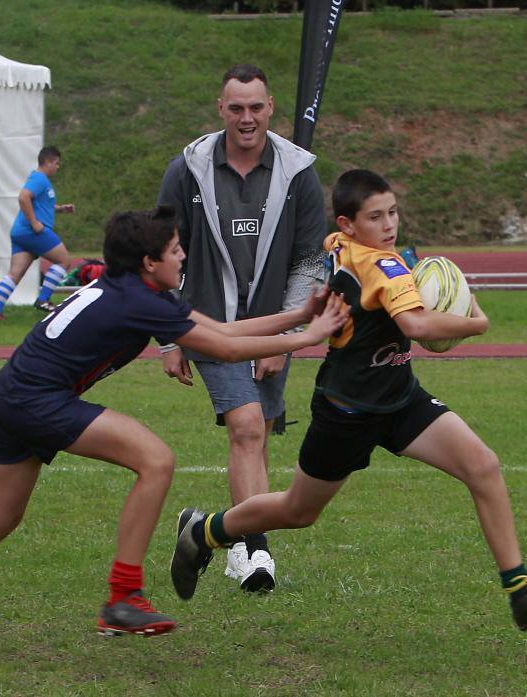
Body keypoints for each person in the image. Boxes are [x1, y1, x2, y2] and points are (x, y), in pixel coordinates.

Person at [0, 205, 349, 651]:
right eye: (175, 250)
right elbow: (223, 350)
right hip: (35, 399)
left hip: (15, 392)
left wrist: (299, 317)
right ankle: (123, 598)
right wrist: (308, 337)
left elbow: (223, 332)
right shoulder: (141, 301)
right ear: (149, 262)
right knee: (156, 460)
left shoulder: (137, 290)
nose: (182, 255)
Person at [170, 170, 527, 632]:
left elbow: (339, 257)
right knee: (297, 512)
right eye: (375, 217)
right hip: (347, 411)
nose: (389, 225)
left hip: (399, 398)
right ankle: (204, 531)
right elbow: (420, 328)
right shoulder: (384, 269)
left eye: (393, 212)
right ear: (348, 223)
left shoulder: (340, 247)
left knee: (482, 465)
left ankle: (522, 592)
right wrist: (475, 322)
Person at [157, 64, 327, 592]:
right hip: (210, 324)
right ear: (220, 108)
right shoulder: (187, 168)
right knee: (248, 427)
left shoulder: (298, 172)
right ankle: (253, 552)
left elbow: (308, 263)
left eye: (255, 107)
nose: (246, 118)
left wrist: (279, 341)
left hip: (275, 325)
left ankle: (220, 531)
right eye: (236, 108)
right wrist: (169, 335)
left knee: (257, 433)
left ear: (271, 106)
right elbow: (160, 253)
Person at [0, 145, 75, 319]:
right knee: (64, 261)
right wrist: (35, 223)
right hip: (32, 231)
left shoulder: (40, 180)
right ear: (48, 162)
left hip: (19, 232)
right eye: (57, 163)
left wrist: (60, 209)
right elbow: (23, 197)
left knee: (15, 274)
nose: (58, 167)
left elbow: (41, 204)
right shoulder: (40, 179)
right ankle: (43, 299)